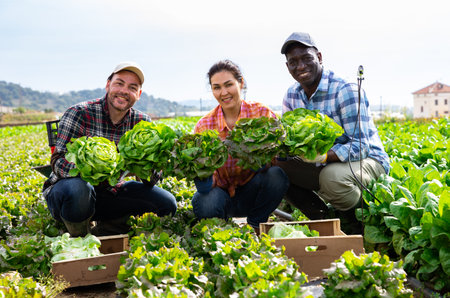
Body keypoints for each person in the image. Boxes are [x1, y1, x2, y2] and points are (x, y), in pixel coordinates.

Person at [42, 62, 177, 237]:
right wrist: (95, 171)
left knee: (166, 203)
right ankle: (79, 236)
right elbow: (58, 162)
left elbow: (151, 180)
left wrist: (151, 164)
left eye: (132, 87)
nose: (124, 91)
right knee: (79, 190)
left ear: (139, 94)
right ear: (108, 85)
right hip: (69, 193)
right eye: (119, 83)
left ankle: (108, 229)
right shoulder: (79, 112)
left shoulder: (142, 122)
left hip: (111, 193)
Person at [276, 32, 390, 234]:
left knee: (331, 178)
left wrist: (324, 156)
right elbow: (289, 142)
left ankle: (357, 223)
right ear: (287, 67)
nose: (300, 66)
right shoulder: (292, 95)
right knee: (274, 169)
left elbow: (361, 145)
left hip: (368, 160)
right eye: (293, 62)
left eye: (306, 58)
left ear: (319, 57)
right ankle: (324, 220)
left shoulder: (345, 89)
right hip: (321, 164)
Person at [192, 59, 289, 234]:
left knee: (276, 176)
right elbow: (203, 173)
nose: (224, 92)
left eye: (229, 85)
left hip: (252, 192)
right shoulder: (204, 125)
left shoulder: (262, 114)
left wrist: (263, 157)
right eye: (217, 87)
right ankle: (220, 234)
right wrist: (203, 177)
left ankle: (255, 226)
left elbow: (279, 156)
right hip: (220, 196)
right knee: (204, 199)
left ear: (241, 83)